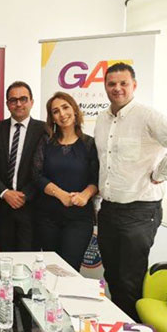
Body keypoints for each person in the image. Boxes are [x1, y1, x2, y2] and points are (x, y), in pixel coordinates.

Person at [95, 62, 167, 321]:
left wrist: (161, 173)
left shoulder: (147, 116)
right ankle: (118, 326)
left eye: (123, 83)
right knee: (111, 275)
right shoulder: (102, 119)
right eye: (111, 84)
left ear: (134, 85)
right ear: (105, 86)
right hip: (109, 210)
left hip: (139, 211)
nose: (117, 88)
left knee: (130, 280)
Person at [32, 92, 98, 271]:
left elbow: (96, 179)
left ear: (74, 110)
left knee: (69, 269)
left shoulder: (89, 144)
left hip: (79, 219)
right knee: (51, 270)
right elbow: (36, 175)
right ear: (52, 118)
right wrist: (61, 195)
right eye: (56, 111)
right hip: (48, 218)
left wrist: (85, 195)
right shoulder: (46, 142)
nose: (62, 114)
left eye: (65, 107)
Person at [0, 81, 45, 251]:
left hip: (31, 207)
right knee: (6, 257)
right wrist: (5, 193)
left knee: (29, 257)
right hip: (2, 205)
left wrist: (24, 195)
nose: (18, 104)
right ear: (7, 104)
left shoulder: (44, 129)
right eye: (13, 100)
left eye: (23, 99)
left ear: (31, 102)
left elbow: (45, 167)